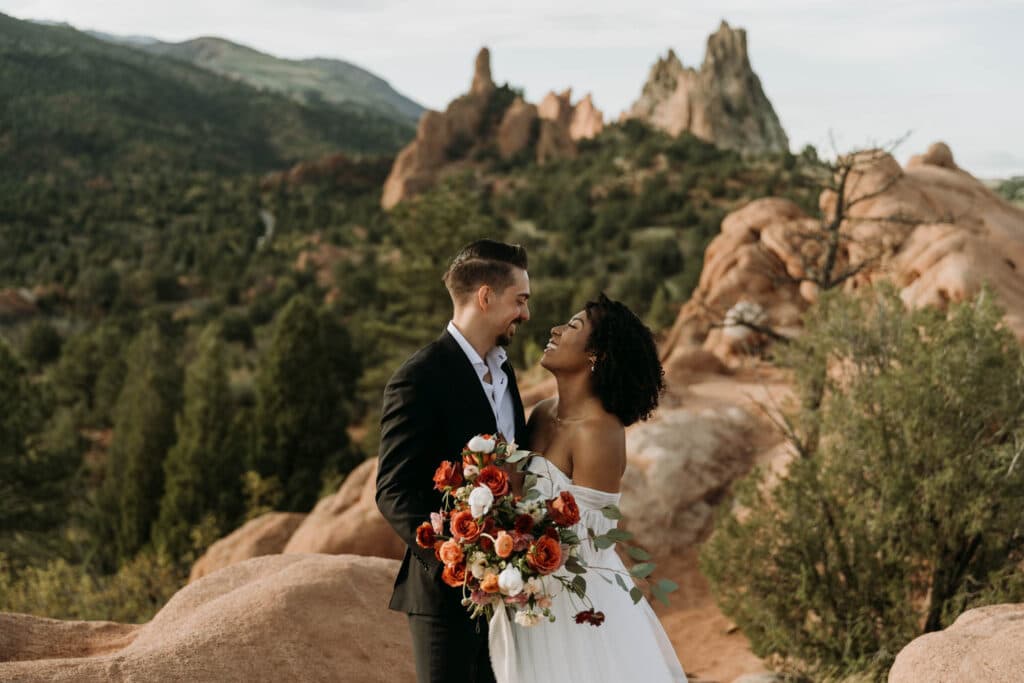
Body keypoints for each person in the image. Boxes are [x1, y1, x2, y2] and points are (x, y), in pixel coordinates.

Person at [495, 293, 687, 683]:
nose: (555, 330)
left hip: (571, 599)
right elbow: (518, 493)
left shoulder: (600, 431)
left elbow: (588, 533)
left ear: (595, 355)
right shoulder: (543, 412)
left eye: (572, 327)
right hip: (527, 589)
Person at [376, 239, 531, 683]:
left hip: (511, 593)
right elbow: (393, 491)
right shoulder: (418, 378)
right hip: (445, 602)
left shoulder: (505, 373)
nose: (525, 314)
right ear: (486, 297)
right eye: (519, 301)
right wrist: (460, 562)